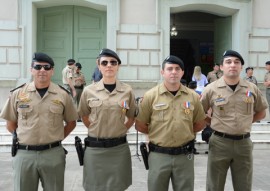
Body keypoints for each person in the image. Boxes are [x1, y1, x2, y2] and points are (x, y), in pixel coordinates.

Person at [0, 52, 78, 191]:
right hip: (24, 155)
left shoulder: (62, 95)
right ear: (31, 70)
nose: (42, 70)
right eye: (38, 67)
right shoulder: (18, 94)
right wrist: (25, 137)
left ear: (52, 71)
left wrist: (56, 137)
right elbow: (10, 123)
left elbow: (71, 122)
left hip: (53, 154)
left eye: (47, 67)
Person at [135, 55, 206, 191]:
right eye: (169, 69)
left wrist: (184, 132)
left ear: (182, 72)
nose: (173, 72)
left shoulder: (193, 97)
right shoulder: (151, 96)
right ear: (162, 72)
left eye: (177, 69)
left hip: (184, 156)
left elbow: (200, 123)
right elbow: (141, 125)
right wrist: (160, 134)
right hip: (158, 156)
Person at [201, 50, 268, 191]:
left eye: (237, 62)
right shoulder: (211, 89)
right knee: (214, 185)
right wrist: (212, 122)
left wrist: (246, 122)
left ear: (241, 67)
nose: (233, 65)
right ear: (221, 66)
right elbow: (199, 113)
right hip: (219, 142)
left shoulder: (252, 88)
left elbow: (261, 112)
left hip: (244, 144)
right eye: (228, 62)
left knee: (244, 185)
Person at [78, 48, 137, 191]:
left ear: (118, 66)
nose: (109, 65)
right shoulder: (88, 91)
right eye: (104, 63)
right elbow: (84, 115)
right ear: (99, 66)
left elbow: (131, 116)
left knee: (118, 186)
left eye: (113, 62)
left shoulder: (127, 90)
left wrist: (123, 128)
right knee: (94, 186)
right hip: (95, 149)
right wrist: (94, 127)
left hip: (119, 149)